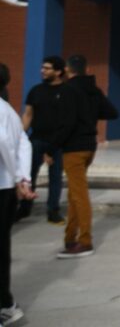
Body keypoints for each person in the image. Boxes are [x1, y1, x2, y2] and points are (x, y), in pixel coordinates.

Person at [56, 54, 117, 259]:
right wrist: (90, 114)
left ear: (67, 70)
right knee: (74, 193)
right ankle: (70, 238)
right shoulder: (94, 90)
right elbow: (112, 112)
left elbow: (66, 122)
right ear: (86, 69)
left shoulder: (68, 90)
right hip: (90, 146)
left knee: (79, 195)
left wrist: (52, 146)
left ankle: (85, 241)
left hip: (73, 147)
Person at [18, 56, 73, 225]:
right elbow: (28, 114)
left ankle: (53, 210)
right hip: (36, 140)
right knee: (29, 175)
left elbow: (69, 119)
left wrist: (58, 143)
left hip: (58, 142)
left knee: (55, 177)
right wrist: (19, 136)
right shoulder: (36, 90)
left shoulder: (67, 92)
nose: (42, 71)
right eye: (43, 67)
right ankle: (24, 208)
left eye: (47, 68)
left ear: (58, 71)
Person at [0, 96, 36, 325]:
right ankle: (6, 304)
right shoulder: (8, 110)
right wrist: (23, 178)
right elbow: (24, 142)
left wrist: (17, 177)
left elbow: (3, 141)